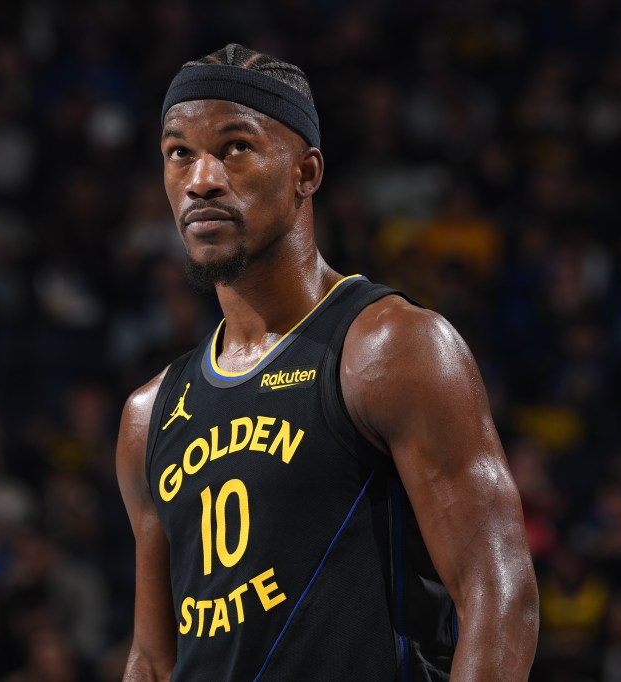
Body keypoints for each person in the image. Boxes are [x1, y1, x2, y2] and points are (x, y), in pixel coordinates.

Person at [115, 44, 539, 681]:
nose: (201, 179)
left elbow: (498, 592)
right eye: (180, 153)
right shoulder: (148, 416)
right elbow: (152, 660)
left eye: (235, 147)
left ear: (305, 173)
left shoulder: (392, 348)